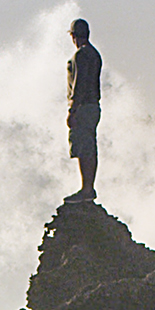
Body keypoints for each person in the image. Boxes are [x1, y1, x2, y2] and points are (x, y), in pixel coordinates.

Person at [65, 18, 101, 203]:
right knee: (89, 146)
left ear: (73, 36)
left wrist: (72, 109)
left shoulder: (81, 55)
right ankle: (88, 188)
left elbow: (79, 85)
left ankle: (86, 189)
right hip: (93, 106)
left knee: (85, 147)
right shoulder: (94, 54)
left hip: (83, 107)